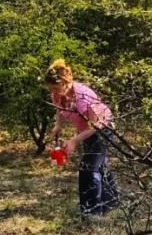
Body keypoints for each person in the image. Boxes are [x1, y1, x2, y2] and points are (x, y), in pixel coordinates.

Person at [46, 59, 119, 216]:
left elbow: (95, 125)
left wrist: (74, 140)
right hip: (86, 131)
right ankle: (111, 203)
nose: (54, 91)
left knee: (88, 168)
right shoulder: (57, 94)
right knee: (99, 165)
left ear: (66, 82)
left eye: (56, 88)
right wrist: (58, 125)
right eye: (51, 88)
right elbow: (59, 109)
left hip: (102, 129)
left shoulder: (83, 97)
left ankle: (91, 212)